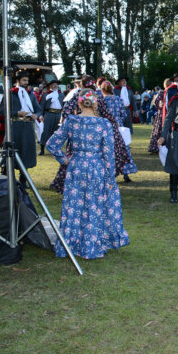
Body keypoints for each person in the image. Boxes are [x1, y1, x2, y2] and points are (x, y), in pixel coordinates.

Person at [45, 89, 130, 258]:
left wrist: (64, 160)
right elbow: (109, 154)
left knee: (75, 206)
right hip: (97, 167)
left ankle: (72, 243)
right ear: (96, 103)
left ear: (79, 102)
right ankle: (92, 244)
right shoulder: (104, 124)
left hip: (76, 167)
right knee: (94, 205)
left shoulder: (71, 121)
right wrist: (110, 177)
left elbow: (51, 144)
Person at [0, 72, 42, 185]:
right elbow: (2, 111)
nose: (26, 82)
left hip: (27, 127)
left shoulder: (31, 95)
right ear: (17, 81)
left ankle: (23, 179)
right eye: (24, 80)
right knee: (11, 151)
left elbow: (38, 109)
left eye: (27, 80)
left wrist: (37, 115)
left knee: (26, 152)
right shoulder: (10, 94)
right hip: (14, 127)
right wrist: (17, 113)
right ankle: (8, 179)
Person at [99, 80, 138, 182]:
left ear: (102, 90)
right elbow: (124, 115)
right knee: (123, 150)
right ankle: (126, 174)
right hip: (118, 127)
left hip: (106, 128)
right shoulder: (118, 99)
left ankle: (109, 174)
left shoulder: (101, 100)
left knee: (107, 151)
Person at [38, 79, 65, 155]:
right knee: (46, 131)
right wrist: (40, 115)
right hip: (49, 114)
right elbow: (41, 106)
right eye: (53, 84)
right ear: (50, 86)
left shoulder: (61, 95)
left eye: (56, 84)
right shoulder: (46, 95)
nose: (55, 85)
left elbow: (64, 105)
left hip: (58, 114)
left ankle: (55, 148)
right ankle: (42, 148)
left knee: (57, 132)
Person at [148, 78, 172, 154]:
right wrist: (161, 106)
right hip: (162, 114)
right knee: (159, 130)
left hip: (167, 113)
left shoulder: (170, 92)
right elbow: (155, 102)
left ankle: (166, 147)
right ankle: (157, 147)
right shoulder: (162, 92)